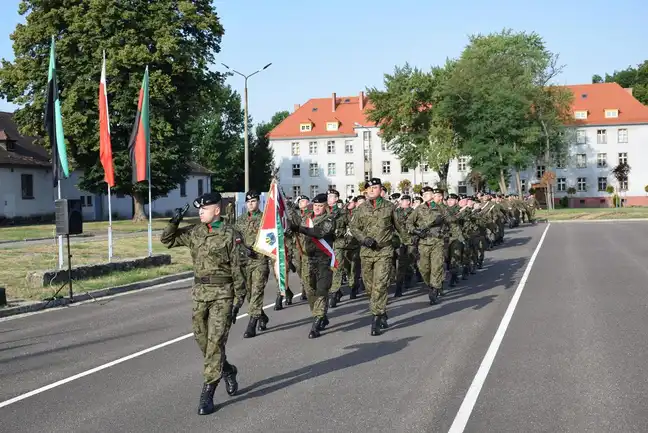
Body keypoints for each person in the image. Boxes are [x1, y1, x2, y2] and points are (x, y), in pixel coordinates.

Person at [160, 192, 245, 416]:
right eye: (199, 209)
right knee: (203, 342)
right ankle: (227, 369)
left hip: (222, 294)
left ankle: (208, 393)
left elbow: (238, 268)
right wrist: (174, 221)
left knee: (215, 343)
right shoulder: (195, 232)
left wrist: (238, 300)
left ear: (217, 210)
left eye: (205, 209)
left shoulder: (230, 234)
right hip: (200, 294)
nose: (200, 212)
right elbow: (167, 240)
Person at [349, 177, 405, 336]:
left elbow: (400, 227)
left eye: (375, 187)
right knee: (369, 288)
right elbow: (353, 227)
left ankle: (376, 318)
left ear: (381, 190)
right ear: (366, 191)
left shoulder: (390, 207)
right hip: (366, 253)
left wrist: (406, 243)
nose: (372, 190)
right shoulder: (361, 208)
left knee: (380, 285)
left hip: (384, 252)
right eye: (369, 188)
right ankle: (381, 310)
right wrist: (363, 239)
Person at [287, 193, 336, 338]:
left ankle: (317, 321)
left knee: (321, 289)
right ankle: (320, 314)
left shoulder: (329, 219)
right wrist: (292, 226)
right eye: (315, 206)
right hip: (308, 259)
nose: (317, 208)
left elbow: (318, 232)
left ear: (325, 206)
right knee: (309, 291)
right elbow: (296, 225)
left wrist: (299, 228)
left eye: (320, 206)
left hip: (323, 260)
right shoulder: (306, 219)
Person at [234, 191, 270, 338]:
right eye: (248, 201)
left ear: (258, 202)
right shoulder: (240, 220)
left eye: (253, 201)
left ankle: (251, 325)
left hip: (259, 261)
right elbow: (235, 238)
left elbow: (271, 239)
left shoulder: (265, 219)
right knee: (249, 294)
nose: (250, 204)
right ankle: (262, 317)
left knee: (256, 292)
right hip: (244, 261)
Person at [408, 186, 445, 304]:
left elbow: (452, 221)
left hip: (437, 242)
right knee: (424, 268)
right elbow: (408, 223)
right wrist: (415, 230)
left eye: (428, 193)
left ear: (433, 195)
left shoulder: (440, 208)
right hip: (423, 243)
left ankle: (435, 288)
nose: (425, 196)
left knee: (437, 266)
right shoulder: (418, 209)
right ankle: (430, 284)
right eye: (423, 194)